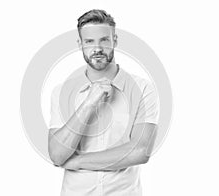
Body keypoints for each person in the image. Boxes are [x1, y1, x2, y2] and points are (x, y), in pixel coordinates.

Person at [48, 9, 159, 196]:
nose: (97, 48)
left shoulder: (143, 88)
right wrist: (89, 103)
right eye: (89, 41)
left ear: (114, 40)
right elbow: (57, 154)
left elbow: (140, 151)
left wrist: (78, 161)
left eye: (104, 40)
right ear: (80, 44)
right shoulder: (61, 92)